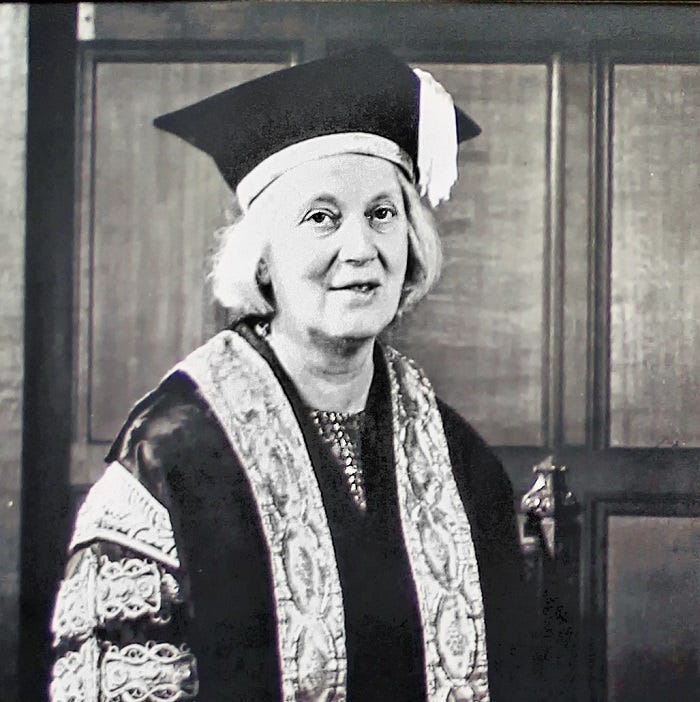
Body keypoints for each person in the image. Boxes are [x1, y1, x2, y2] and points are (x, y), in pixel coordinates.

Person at [49, 47, 535, 702]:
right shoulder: (170, 457)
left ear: (411, 243)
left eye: (382, 214)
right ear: (264, 259)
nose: (360, 248)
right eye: (322, 217)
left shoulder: (461, 462)